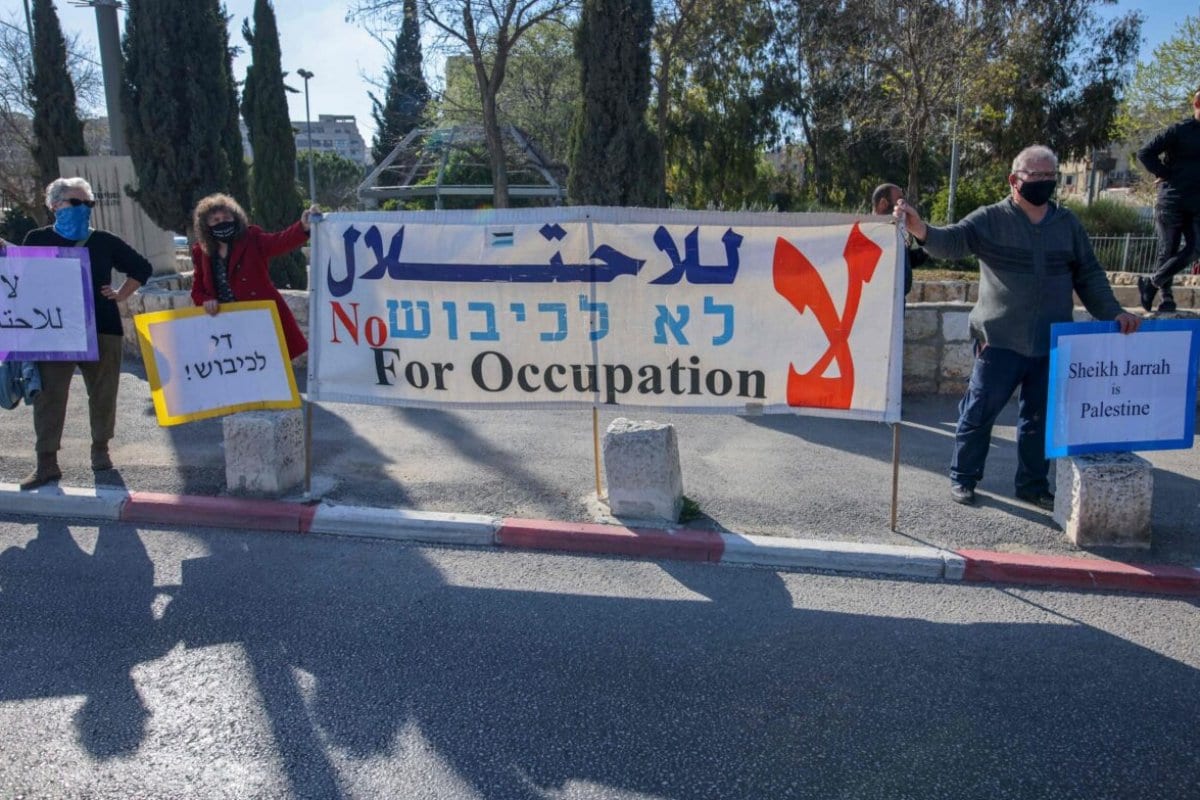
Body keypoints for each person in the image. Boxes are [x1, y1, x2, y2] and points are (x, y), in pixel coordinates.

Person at [894, 145, 1141, 510]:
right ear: (1014, 180)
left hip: (1051, 343)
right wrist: (920, 229)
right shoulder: (990, 219)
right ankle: (963, 478)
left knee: (1038, 421)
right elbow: (952, 242)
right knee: (979, 413)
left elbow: (1089, 276)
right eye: (1034, 176)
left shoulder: (1068, 225)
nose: (1043, 183)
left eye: (1050, 177)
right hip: (999, 341)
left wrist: (1114, 312)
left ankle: (1032, 485)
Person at [20, 177, 153, 490]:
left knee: (103, 392)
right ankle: (46, 462)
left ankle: (100, 450)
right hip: (54, 331)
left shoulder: (103, 241)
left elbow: (142, 268)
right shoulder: (36, 239)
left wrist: (121, 293)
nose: (84, 209)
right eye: (76, 203)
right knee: (49, 395)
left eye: (88, 204)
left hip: (102, 326)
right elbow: (21, 280)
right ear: (54, 206)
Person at [189, 194, 317, 360]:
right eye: (216, 220)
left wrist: (303, 227)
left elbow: (280, 241)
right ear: (206, 225)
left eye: (227, 217)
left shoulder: (252, 238)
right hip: (224, 325)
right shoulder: (201, 251)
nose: (222, 222)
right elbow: (197, 290)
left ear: (236, 218)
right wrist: (206, 300)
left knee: (270, 369)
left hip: (259, 320)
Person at [1135, 89, 1200, 314]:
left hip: (1197, 203)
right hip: (1172, 199)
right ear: (1197, 103)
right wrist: (1164, 172)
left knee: (1195, 248)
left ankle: (1151, 283)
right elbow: (1145, 153)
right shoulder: (1179, 131)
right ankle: (1166, 296)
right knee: (1168, 248)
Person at [871, 182, 926, 295]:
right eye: (900, 201)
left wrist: (928, 244)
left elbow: (903, 261)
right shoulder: (868, 235)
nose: (903, 206)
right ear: (883, 204)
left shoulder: (896, 231)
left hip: (898, 303)